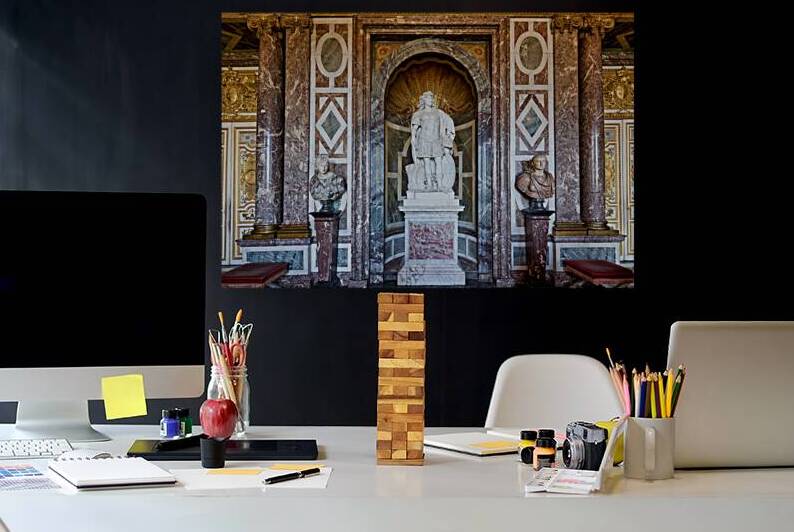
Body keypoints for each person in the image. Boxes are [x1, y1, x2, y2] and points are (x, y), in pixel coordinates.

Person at [410, 91, 455, 190]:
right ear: (424, 100)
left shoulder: (438, 112)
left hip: (436, 140)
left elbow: (448, 121)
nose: (431, 100)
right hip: (424, 140)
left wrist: (448, 135)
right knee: (426, 163)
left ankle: (439, 185)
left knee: (438, 162)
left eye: (431, 98)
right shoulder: (419, 114)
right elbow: (414, 129)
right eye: (428, 98)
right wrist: (413, 140)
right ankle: (429, 185)